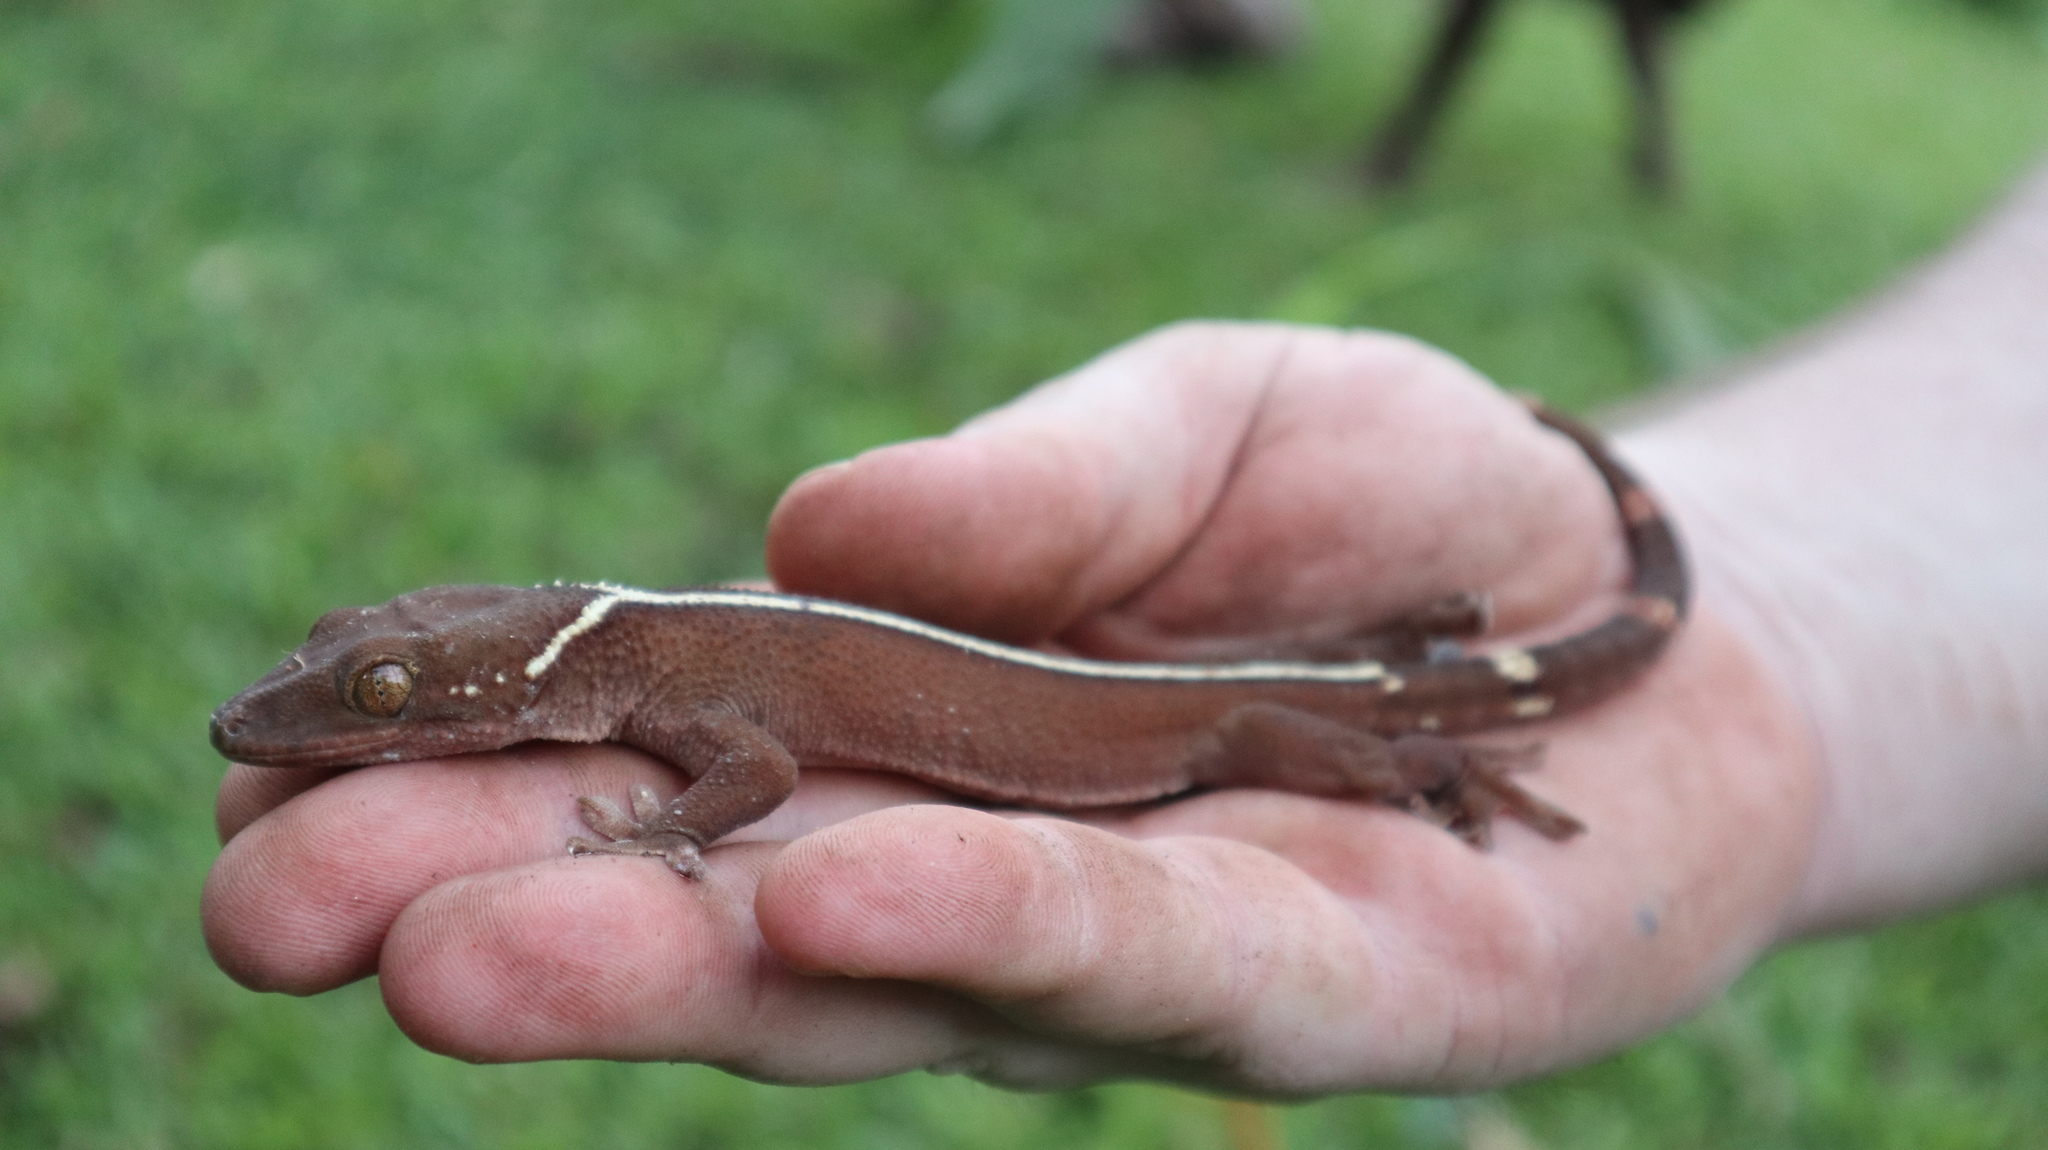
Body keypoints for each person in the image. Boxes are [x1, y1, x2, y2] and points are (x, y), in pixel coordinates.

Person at [202, 162, 2048, 1096]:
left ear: (503, 676)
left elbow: (756, 769)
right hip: (1189, 687)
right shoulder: (626, 657)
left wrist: (669, 830)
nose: (333, 715)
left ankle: (1439, 724)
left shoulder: (672, 685)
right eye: (369, 679)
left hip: (1216, 721)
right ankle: (1448, 670)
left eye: (376, 694)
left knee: (1332, 725)